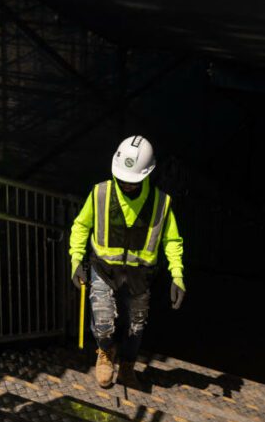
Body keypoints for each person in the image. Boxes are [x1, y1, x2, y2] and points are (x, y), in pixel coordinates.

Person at [68, 136, 186, 388]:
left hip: (139, 276)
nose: (125, 184)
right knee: (103, 322)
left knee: (136, 326)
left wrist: (177, 276)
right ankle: (105, 354)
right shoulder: (100, 194)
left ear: (147, 174)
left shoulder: (161, 204)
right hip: (103, 269)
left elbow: (172, 240)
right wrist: (76, 259)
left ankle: (127, 366)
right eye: (122, 178)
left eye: (132, 181)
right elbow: (81, 226)